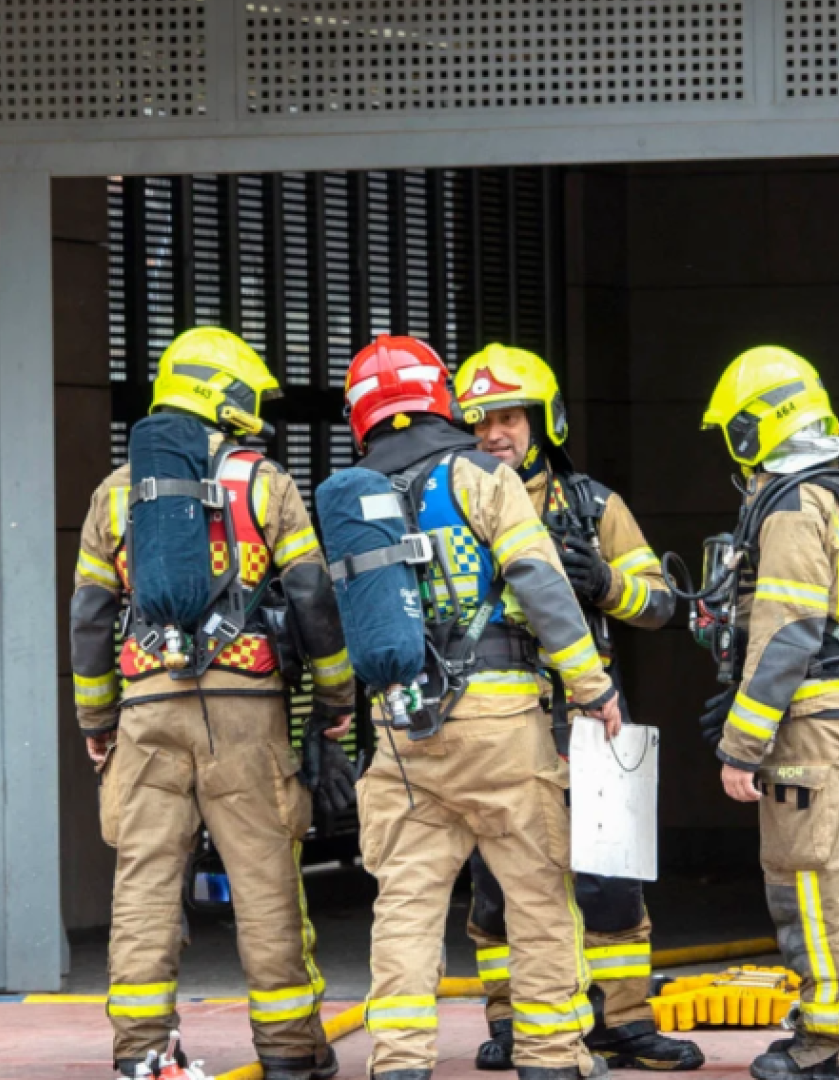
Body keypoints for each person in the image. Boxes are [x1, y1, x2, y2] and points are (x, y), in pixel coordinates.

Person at [71, 327, 354, 1080]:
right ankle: (292, 1051)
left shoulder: (116, 491)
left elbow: (89, 618)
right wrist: (336, 696)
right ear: (226, 395)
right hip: (247, 710)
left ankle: (138, 1050)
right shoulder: (266, 485)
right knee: (265, 879)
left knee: (144, 883)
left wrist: (97, 721)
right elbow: (311, 595)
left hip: (147, 710)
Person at [343, 335, 621, 1080]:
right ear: (442, 398)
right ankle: (552, 1057)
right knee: (536, 896)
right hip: (499, 725)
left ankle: (398, 1062)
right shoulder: (479, 475)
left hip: (403, 734)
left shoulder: (350, 496)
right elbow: (540, 582)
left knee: (405, 905)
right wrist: (593, 687)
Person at [451, 345, 702, 1073]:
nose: (494, 433)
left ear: (543, 420)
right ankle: (511, 1021)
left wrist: (604, 583)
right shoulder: (452, 504)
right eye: (479, 421)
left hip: (591, 723)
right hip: (501, 725)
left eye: (509, 416)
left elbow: (661, 604)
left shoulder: (593, 505)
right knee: (498, 887)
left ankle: (623, 1020)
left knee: (611, 880)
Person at [699, 347, 839, 1080]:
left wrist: (741, 743)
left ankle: (836, 1047)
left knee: (810, 879)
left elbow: (788, 629)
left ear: (754, 427)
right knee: (831, 873)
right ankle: (828, 1030)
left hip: (810, 723)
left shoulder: (794, 501)